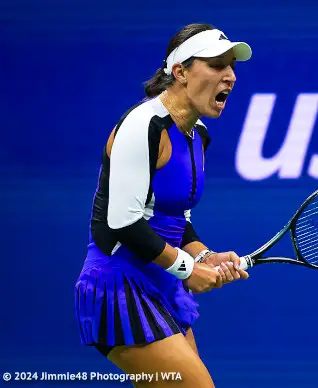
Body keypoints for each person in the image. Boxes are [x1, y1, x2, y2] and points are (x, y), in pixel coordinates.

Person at [74, 23, 253, 387]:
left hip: (160, 284)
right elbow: (122, 223)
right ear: (181, 72)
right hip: (118, 286)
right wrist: (189, 269)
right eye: (217, 65)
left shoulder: (196, 135)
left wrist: (204, 255)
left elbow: (174, 218)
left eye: (232, 66)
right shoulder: (143, 126)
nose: (230, 76)